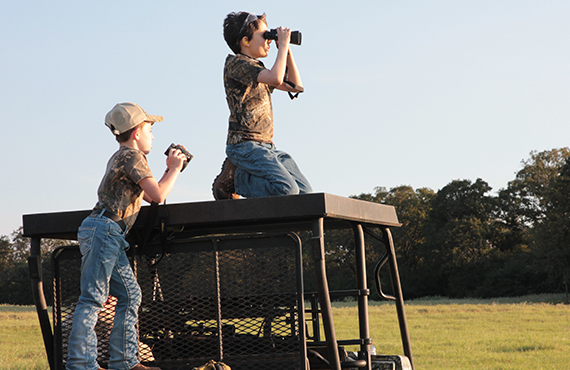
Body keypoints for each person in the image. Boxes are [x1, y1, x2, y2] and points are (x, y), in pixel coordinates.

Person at [66, 102, 187, 370]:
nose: (152, 136)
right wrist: (175, 168)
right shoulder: (132, 157)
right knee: (93, 297)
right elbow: (157, 195)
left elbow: (149, 192)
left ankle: (125, 362)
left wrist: (168, 171)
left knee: (131, 296)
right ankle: (80, 364)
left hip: (109, 232)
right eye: (150, 129)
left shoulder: (121, 158)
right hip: (105, 230)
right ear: (136, 132)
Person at [212, 11, 312, 199]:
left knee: (305, 194)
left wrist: (286, 50)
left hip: (266, 146)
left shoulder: (259, 69)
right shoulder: (235, 64)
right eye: (265, 36)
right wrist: (281, 46)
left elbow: (295, 86)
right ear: (246, 41)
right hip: (244, 145)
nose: (268, 41)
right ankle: (235, 180)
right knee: (287, 190)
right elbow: (275, 78)